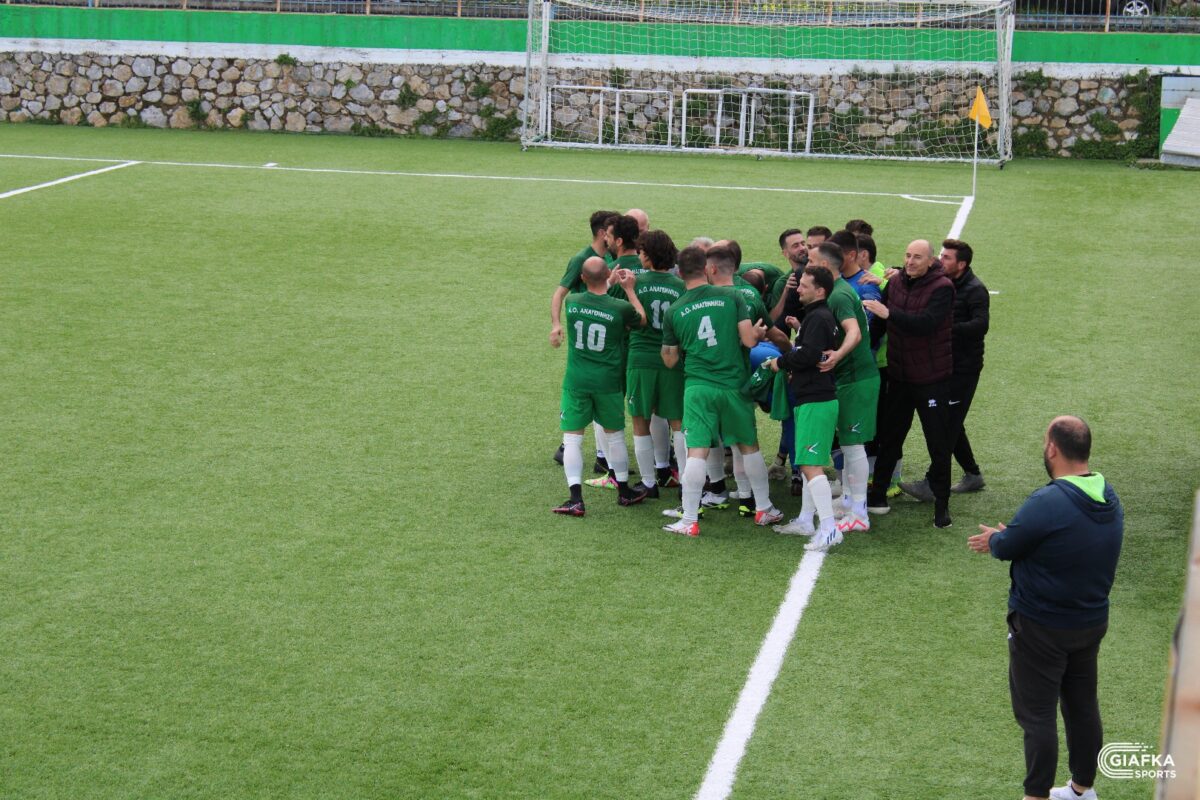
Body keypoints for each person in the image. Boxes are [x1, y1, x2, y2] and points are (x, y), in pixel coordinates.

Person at [968, 417, 1123, 800]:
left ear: (1052, 448)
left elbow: (1008, 546)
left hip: (1041, 627)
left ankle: (1035, 795)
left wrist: (997, 538)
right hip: (1090, 622)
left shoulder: (1047, 502)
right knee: (1082, 706)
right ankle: (1082, 790)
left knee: (1037, 715)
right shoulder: (1109, 495)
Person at [660, 246, 782, 536]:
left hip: (698, 387)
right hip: (734, 385)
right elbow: (749, 341)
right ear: (707, 269)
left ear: (680, 273)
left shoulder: (675, 310)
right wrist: (758, 334)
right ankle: (764, 508)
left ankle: (689, 520)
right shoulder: (732, 296)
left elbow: (670, 359)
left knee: (697, 451)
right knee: (748, 446)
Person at [863, 239, 956, 528]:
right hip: (900, 376)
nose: (910, 261)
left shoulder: (943, 288)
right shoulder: (895, 283)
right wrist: (863, 350)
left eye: (917, 257)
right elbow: (879, 325)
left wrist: (889, 314)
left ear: (930, 261)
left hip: (931, 379)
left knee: (937, 443)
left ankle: (942, 507)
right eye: (907, 255)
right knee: (890, 436)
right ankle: (878, 496)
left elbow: (926, 324)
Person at [552, 257, 649, 515]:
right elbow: (641, 319)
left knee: (572, 439)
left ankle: (575, 499)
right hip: (608, 382)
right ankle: (624, 492)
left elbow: (593, 295)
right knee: (615, 437)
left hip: (576, 380)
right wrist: (629, 290)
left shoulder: (573, 302)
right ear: (608, 274)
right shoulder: (620, 308)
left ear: (583, 278)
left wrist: (606, 282)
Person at [900, 238, 991, 500]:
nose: (940, 260)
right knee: (950, 419)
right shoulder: (942, 281)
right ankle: (972, 473)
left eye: (947, 257)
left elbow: (981, 325)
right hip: (944, 365)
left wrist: (946, 329)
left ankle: (933, 484)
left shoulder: (975, 290)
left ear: (961, 264)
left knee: (948, 424)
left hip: (964, 369)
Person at [766, 265, 844, 551]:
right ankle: (805, 520)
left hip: (816, 399)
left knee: (810, 465)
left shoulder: (818, 317)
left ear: (820, 291)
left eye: (805, 285)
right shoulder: (816, 317)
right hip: (811, 398)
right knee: (808, 462)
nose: (798, 289)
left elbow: (809, 355)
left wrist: (780, 362)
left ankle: (829, 529)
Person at [550, 210, 619, 470]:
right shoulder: (581, 259)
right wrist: (556, 325)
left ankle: (596, 454)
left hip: (604, 334)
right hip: (587, 338)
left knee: (594, 393)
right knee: (593, 392)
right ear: (602, 233)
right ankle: (580, 450)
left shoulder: (610, 257)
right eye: (611, 232)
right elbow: (559, 293)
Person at [625, 229, 687, 497]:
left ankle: (649, 483)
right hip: (672, 359)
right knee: (678, 421)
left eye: (641, 252)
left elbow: (628, 319)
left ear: (648, 256)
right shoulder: (681, 286)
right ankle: (686, 482)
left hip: (641, 358)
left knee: (641, 419)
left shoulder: (635, 283)